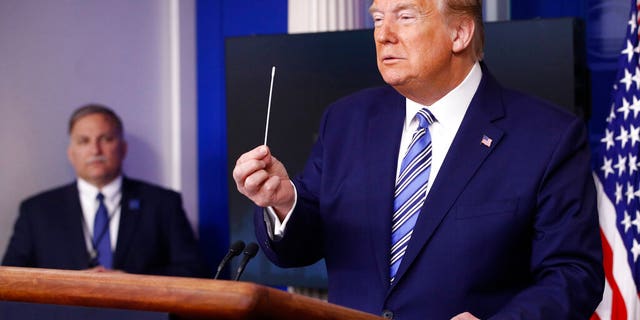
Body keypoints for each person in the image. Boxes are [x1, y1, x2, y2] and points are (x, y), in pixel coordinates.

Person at [232, 0, 604, 319]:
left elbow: (573, 274)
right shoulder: (346, 120)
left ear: (459, 33)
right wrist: (283, 201)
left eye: (405, 16)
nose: (383, 35)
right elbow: (303, 243)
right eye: (378, 18)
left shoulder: (548, 136)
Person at [3, 104, 208, 278]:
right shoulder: (37, 210)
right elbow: (10, 279)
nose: (95, 150)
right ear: (71, 153)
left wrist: (132, 284)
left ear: (123, 148)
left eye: (106, 139)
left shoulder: (163, 203)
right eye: (84, 141)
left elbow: (192, 271)